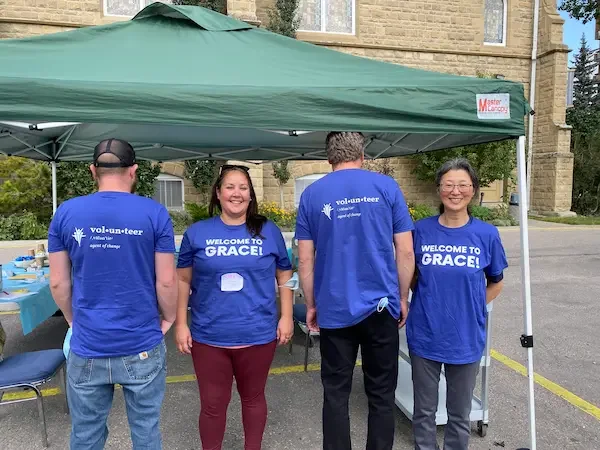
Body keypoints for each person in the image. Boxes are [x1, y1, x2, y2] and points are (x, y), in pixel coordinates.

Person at [48, 138, 178, 450]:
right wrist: (170, 317)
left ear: (93, 170)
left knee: (86, 435)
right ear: (133, 170)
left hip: (88, 343)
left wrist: (71, 319)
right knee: (146, 433)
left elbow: (58, 284)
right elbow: (166, 282)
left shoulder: (66, 213)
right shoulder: (154, 213)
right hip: (141, 343)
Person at [295, 131, 416, 450]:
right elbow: (405, 251)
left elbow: (305, 259)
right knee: (380, 395)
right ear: (362, 156)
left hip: (334, 308)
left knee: (336, 394)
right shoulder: (387, 187)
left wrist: (311, 304)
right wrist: (401, 298)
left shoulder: (312, 194)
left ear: (329, 158)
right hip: (380, 308)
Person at [175, 164, 294, 450]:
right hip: (209, 337)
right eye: (230, 187)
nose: (236, 193)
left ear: (251, 195)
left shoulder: (269, 230)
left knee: (253, 399)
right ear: (218, 193)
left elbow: (285, 275)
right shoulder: (198, 233)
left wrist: (287, 316)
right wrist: (180, 323)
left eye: (243, 187)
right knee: (212, 406)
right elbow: (181, 279)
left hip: (258, 334)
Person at [407, 158, 507, 450]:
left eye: (462, 185)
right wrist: (430, 297)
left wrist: (475, 305)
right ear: (439, 189)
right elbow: (412, 276)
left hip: (465, 338)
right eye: (448, 184)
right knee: (424, 412)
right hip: (425, 334)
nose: (455, 191)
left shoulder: (486, 235)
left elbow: (496, 281)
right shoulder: (420, 230)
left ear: (473, 190)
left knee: (459, 415)